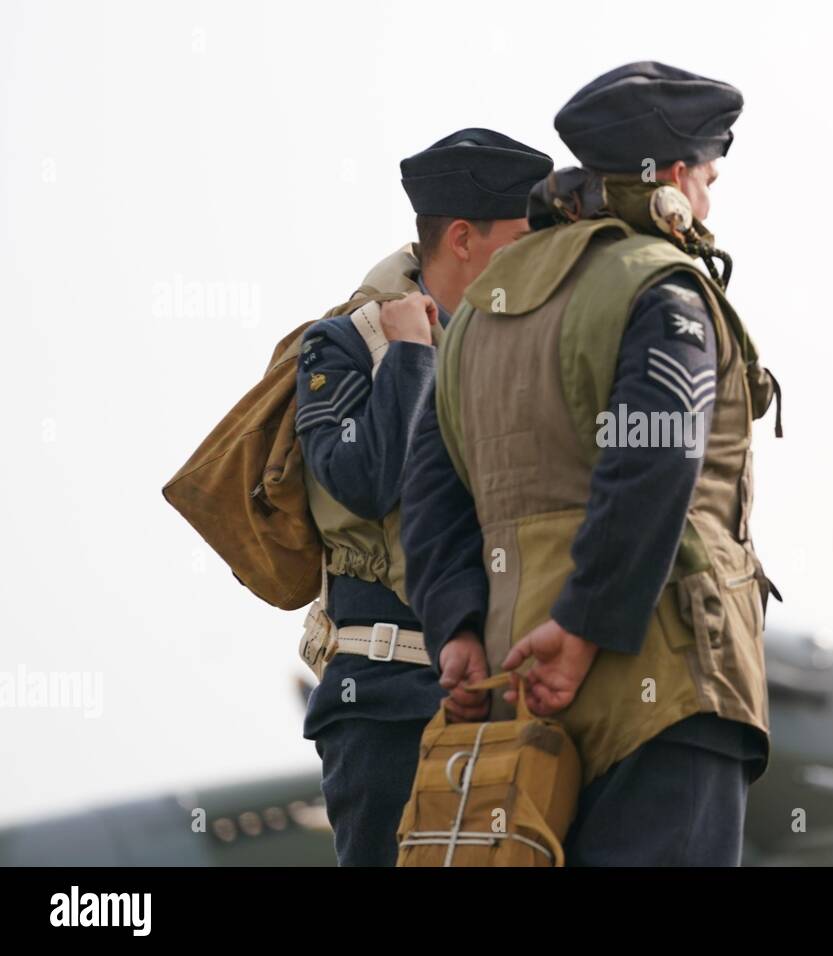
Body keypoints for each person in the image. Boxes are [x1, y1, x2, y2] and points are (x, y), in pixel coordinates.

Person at [400, 62, 781, 865]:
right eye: (708, 179)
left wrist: (457, 629)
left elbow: (428, 485)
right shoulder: (662, 290)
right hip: (663, 677)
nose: (707, 202)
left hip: (513, 685)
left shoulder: (477, 313)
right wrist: (583, 628)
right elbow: (651, 467)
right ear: (676, 178)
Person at [297, 128, 551, 865]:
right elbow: (365, 482)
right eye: (521, 238)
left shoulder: (521, 348)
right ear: (464, 238)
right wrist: (409, 355)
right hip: (382, 700)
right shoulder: (344, 344)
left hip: (501, 697)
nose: (538, 256)